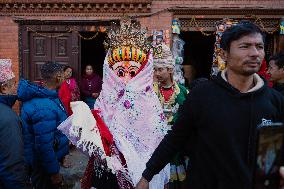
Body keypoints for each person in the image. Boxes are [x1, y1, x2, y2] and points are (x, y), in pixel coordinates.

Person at [136, 21, 284, 189]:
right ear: (224, 54)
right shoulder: (202, 95)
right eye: (245, 46)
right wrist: (147, 176)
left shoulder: (274, 101)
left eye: (259, 46)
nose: (254, 53)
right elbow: (175, 139)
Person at [58, 17, 170, 189]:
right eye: (119, 71)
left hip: (140, 174)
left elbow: (155, 140)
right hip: (107, 169)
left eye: (132, 71)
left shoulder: (150, 103)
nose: (125, 77)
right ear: (110, 72)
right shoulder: (104, 99)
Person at [18, 61, 69, 189]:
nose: (64, 78)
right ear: (58, 77)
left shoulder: (48, 96)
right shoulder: (44, 107)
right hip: (42, 166)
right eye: (63, 75)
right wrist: (54, 173)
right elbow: (44, 145)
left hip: (45, 161)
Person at [153, 43, 188, 189]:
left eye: (160, 69)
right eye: (155, 70)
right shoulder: (150, 92)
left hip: (176, 145)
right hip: (155, 143)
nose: (157, 73)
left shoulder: (183, 92)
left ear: (170, 70)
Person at [0, 59, 30, 189]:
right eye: (14, 83)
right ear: (4, 88)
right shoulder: (8, 118)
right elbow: (12, 166)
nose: (16, 87)